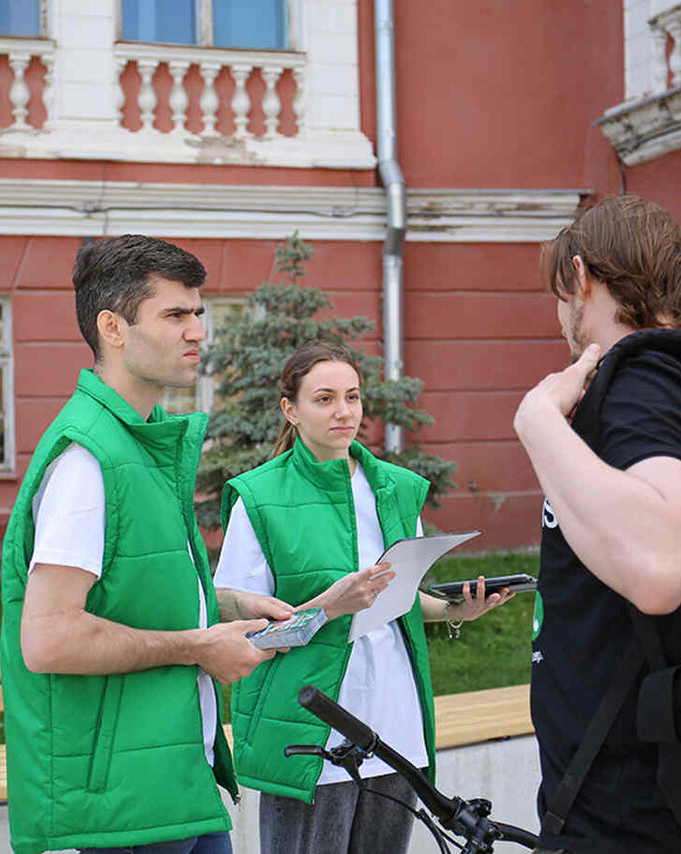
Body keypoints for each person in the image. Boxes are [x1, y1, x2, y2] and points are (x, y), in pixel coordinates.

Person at [0, 234, 292, 854]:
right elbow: (48, 638)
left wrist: (230, 607)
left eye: (198, 314)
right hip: (124, 802)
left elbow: (130, 588)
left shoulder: (142, 441)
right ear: (114, 327)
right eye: (175, 315)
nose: (197, 333)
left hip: (177, 776)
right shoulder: (88, 460)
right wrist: (200, 647)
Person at [514, 196, 681, 853]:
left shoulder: (644, 383)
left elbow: (660, 569)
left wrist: (536, 424)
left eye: (559, 295)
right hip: (675, 797)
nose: (559, 316)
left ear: (582, 278)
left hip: (631, 815)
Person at [215, 341, 514, 854]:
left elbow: (396, 599)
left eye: (352, 397)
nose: (343, 412)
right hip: (310, 732)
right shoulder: (259, 498)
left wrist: (457, 609)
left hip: (394, 729)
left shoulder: (393, 488)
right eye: (325, 398)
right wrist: (328, 606)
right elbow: (246, 632)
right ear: (291, 409)